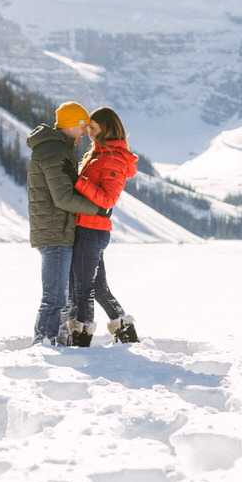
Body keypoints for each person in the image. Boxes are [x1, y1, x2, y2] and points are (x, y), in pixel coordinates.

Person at [27, 101, 106, 345]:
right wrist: (98, 208)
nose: (85, 132)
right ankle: (43, 344)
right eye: (83, 126)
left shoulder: (59, 148)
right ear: (71, 125)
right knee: (54, 298)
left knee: (59, 296)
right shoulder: (54, 151)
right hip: (55, 233)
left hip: (58, 231)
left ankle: (58, 342)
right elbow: (62, 198)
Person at [63, 106, 140, 346]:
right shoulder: (99, 154)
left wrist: (78, 180)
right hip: (87, 228)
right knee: (98, 286)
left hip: (92, 231)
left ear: (106, 128)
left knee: (83, 289)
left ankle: (81, 339)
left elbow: (108, 199)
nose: (89, 132)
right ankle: (125, 332)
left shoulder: (114, 159)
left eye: (93, 127)